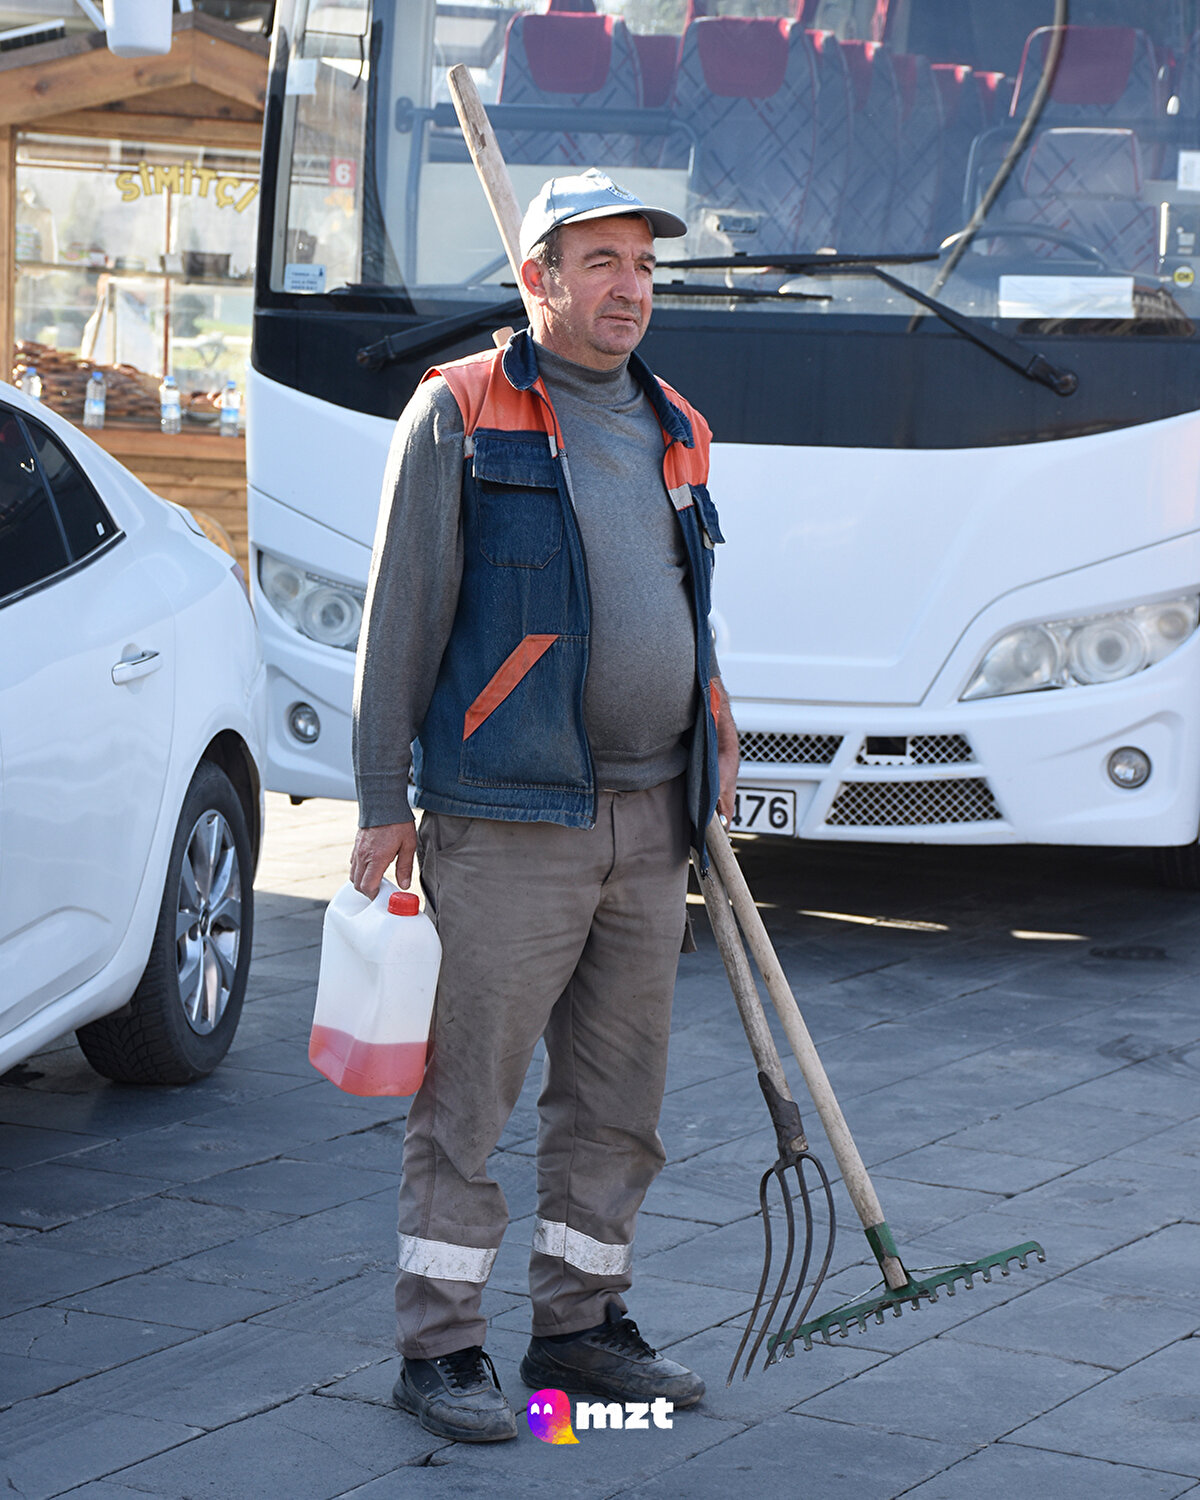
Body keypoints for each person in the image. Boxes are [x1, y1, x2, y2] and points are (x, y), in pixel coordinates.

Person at [350, 168, 739, 1444]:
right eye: (602, 263)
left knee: (617, 1105)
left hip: (650, 823)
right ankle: (439, 1349)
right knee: (468, 1099)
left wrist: (716, 739)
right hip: (507, 818)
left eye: (643, 266)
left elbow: (685, 609)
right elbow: (398, 618)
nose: (630, 288)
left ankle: (578, 1330)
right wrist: (379, 797)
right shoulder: (460, 410)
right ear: (540, 280)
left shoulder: (673, 420)